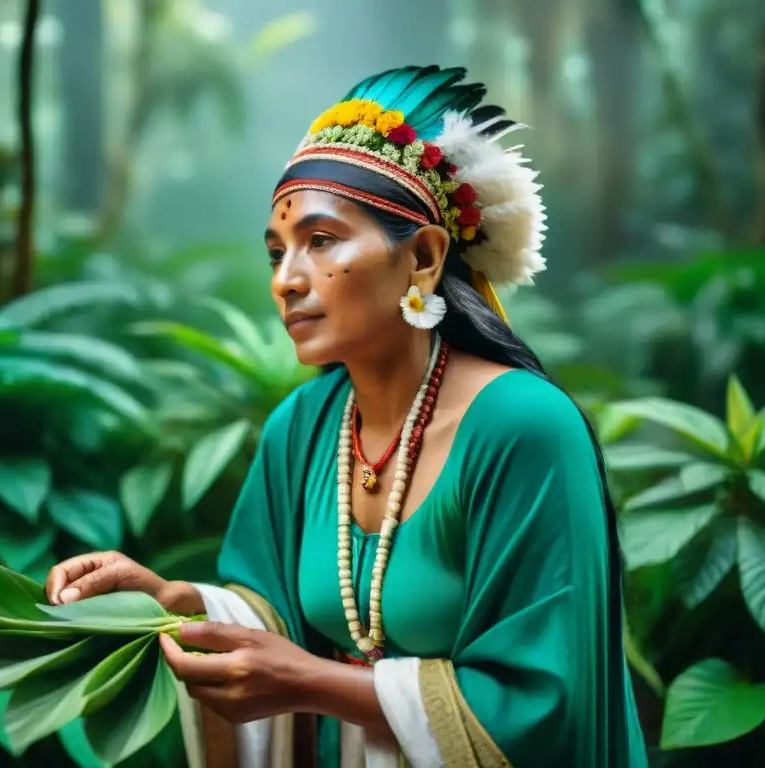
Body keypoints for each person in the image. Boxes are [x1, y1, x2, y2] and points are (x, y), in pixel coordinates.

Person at [46, 65, 649, 768]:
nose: (285, 279)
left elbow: (548, 703)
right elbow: (269, 614)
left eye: (321, 241)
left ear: (423, 255)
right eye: (277, 252)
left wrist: (310, 682)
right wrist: (171, 602)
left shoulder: (523, 430)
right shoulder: (302, 428)